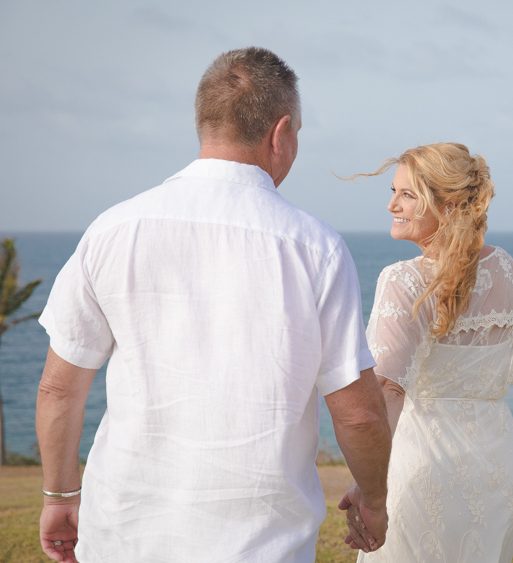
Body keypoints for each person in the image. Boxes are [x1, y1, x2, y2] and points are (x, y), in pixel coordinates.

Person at [35, 47, 392, 563]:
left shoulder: (113, 229)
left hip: (125, 533)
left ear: (205, 123)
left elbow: (58, 386)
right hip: (264, 541)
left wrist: (61, 494)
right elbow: (357, 414)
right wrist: (375, 499)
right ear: (281, 133)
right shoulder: (315, 246)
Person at [342, 143, 513, 561]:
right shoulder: (507, 270)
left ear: (447, 205)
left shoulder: (402, 280)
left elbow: (389, 392)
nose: (392, 204)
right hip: (499, 469)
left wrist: (369, 488)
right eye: (393, 192)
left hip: (423, 470)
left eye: (407, 195)